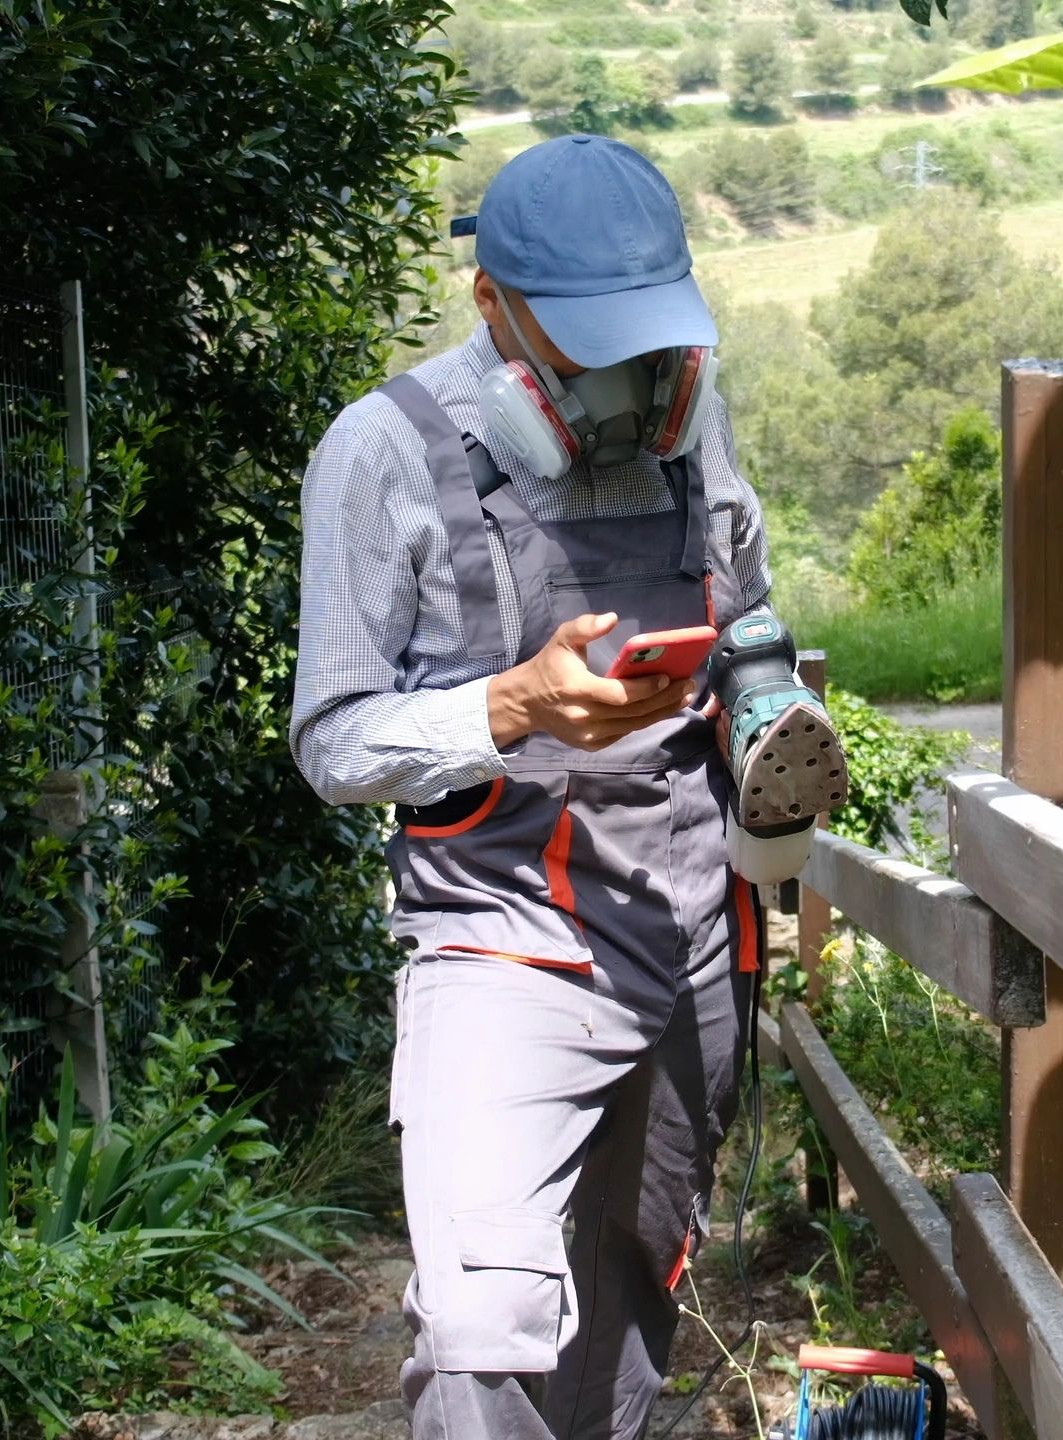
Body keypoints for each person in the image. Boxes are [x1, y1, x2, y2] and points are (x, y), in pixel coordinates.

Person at [289, 134, 835, 1440]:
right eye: (582, 343)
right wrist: (510, 707)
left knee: (631, 1289)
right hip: (504, 935)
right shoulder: (383, 455)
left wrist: (765, 715)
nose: (623, 380)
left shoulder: (693, 425)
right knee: (484, 1338)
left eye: (646, 338)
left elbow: (745, 613)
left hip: (695, 928)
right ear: (492, 305)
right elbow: (333, 742)